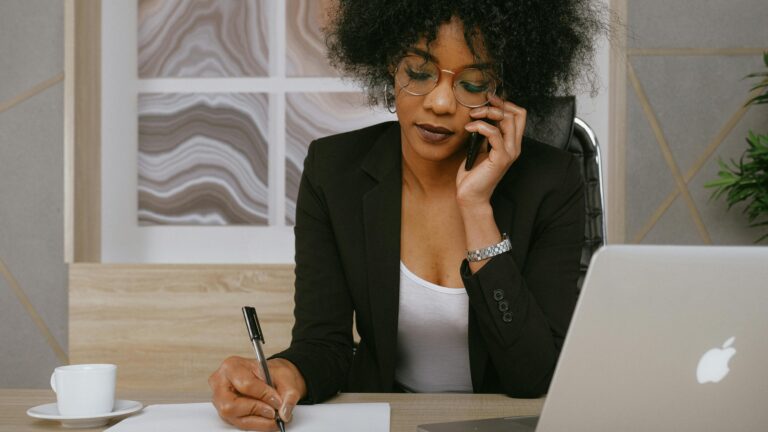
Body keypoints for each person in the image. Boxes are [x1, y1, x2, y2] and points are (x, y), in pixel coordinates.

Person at [209, 1, 605, 430]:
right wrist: (286, 374)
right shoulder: (335, 172)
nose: (438, 102)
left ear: (504, 90)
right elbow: (324, 344)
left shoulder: (552, 181)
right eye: (418, 73)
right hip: (389, 419)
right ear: (389, 65)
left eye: (472, 84)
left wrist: (476, 207)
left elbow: (531, 376)